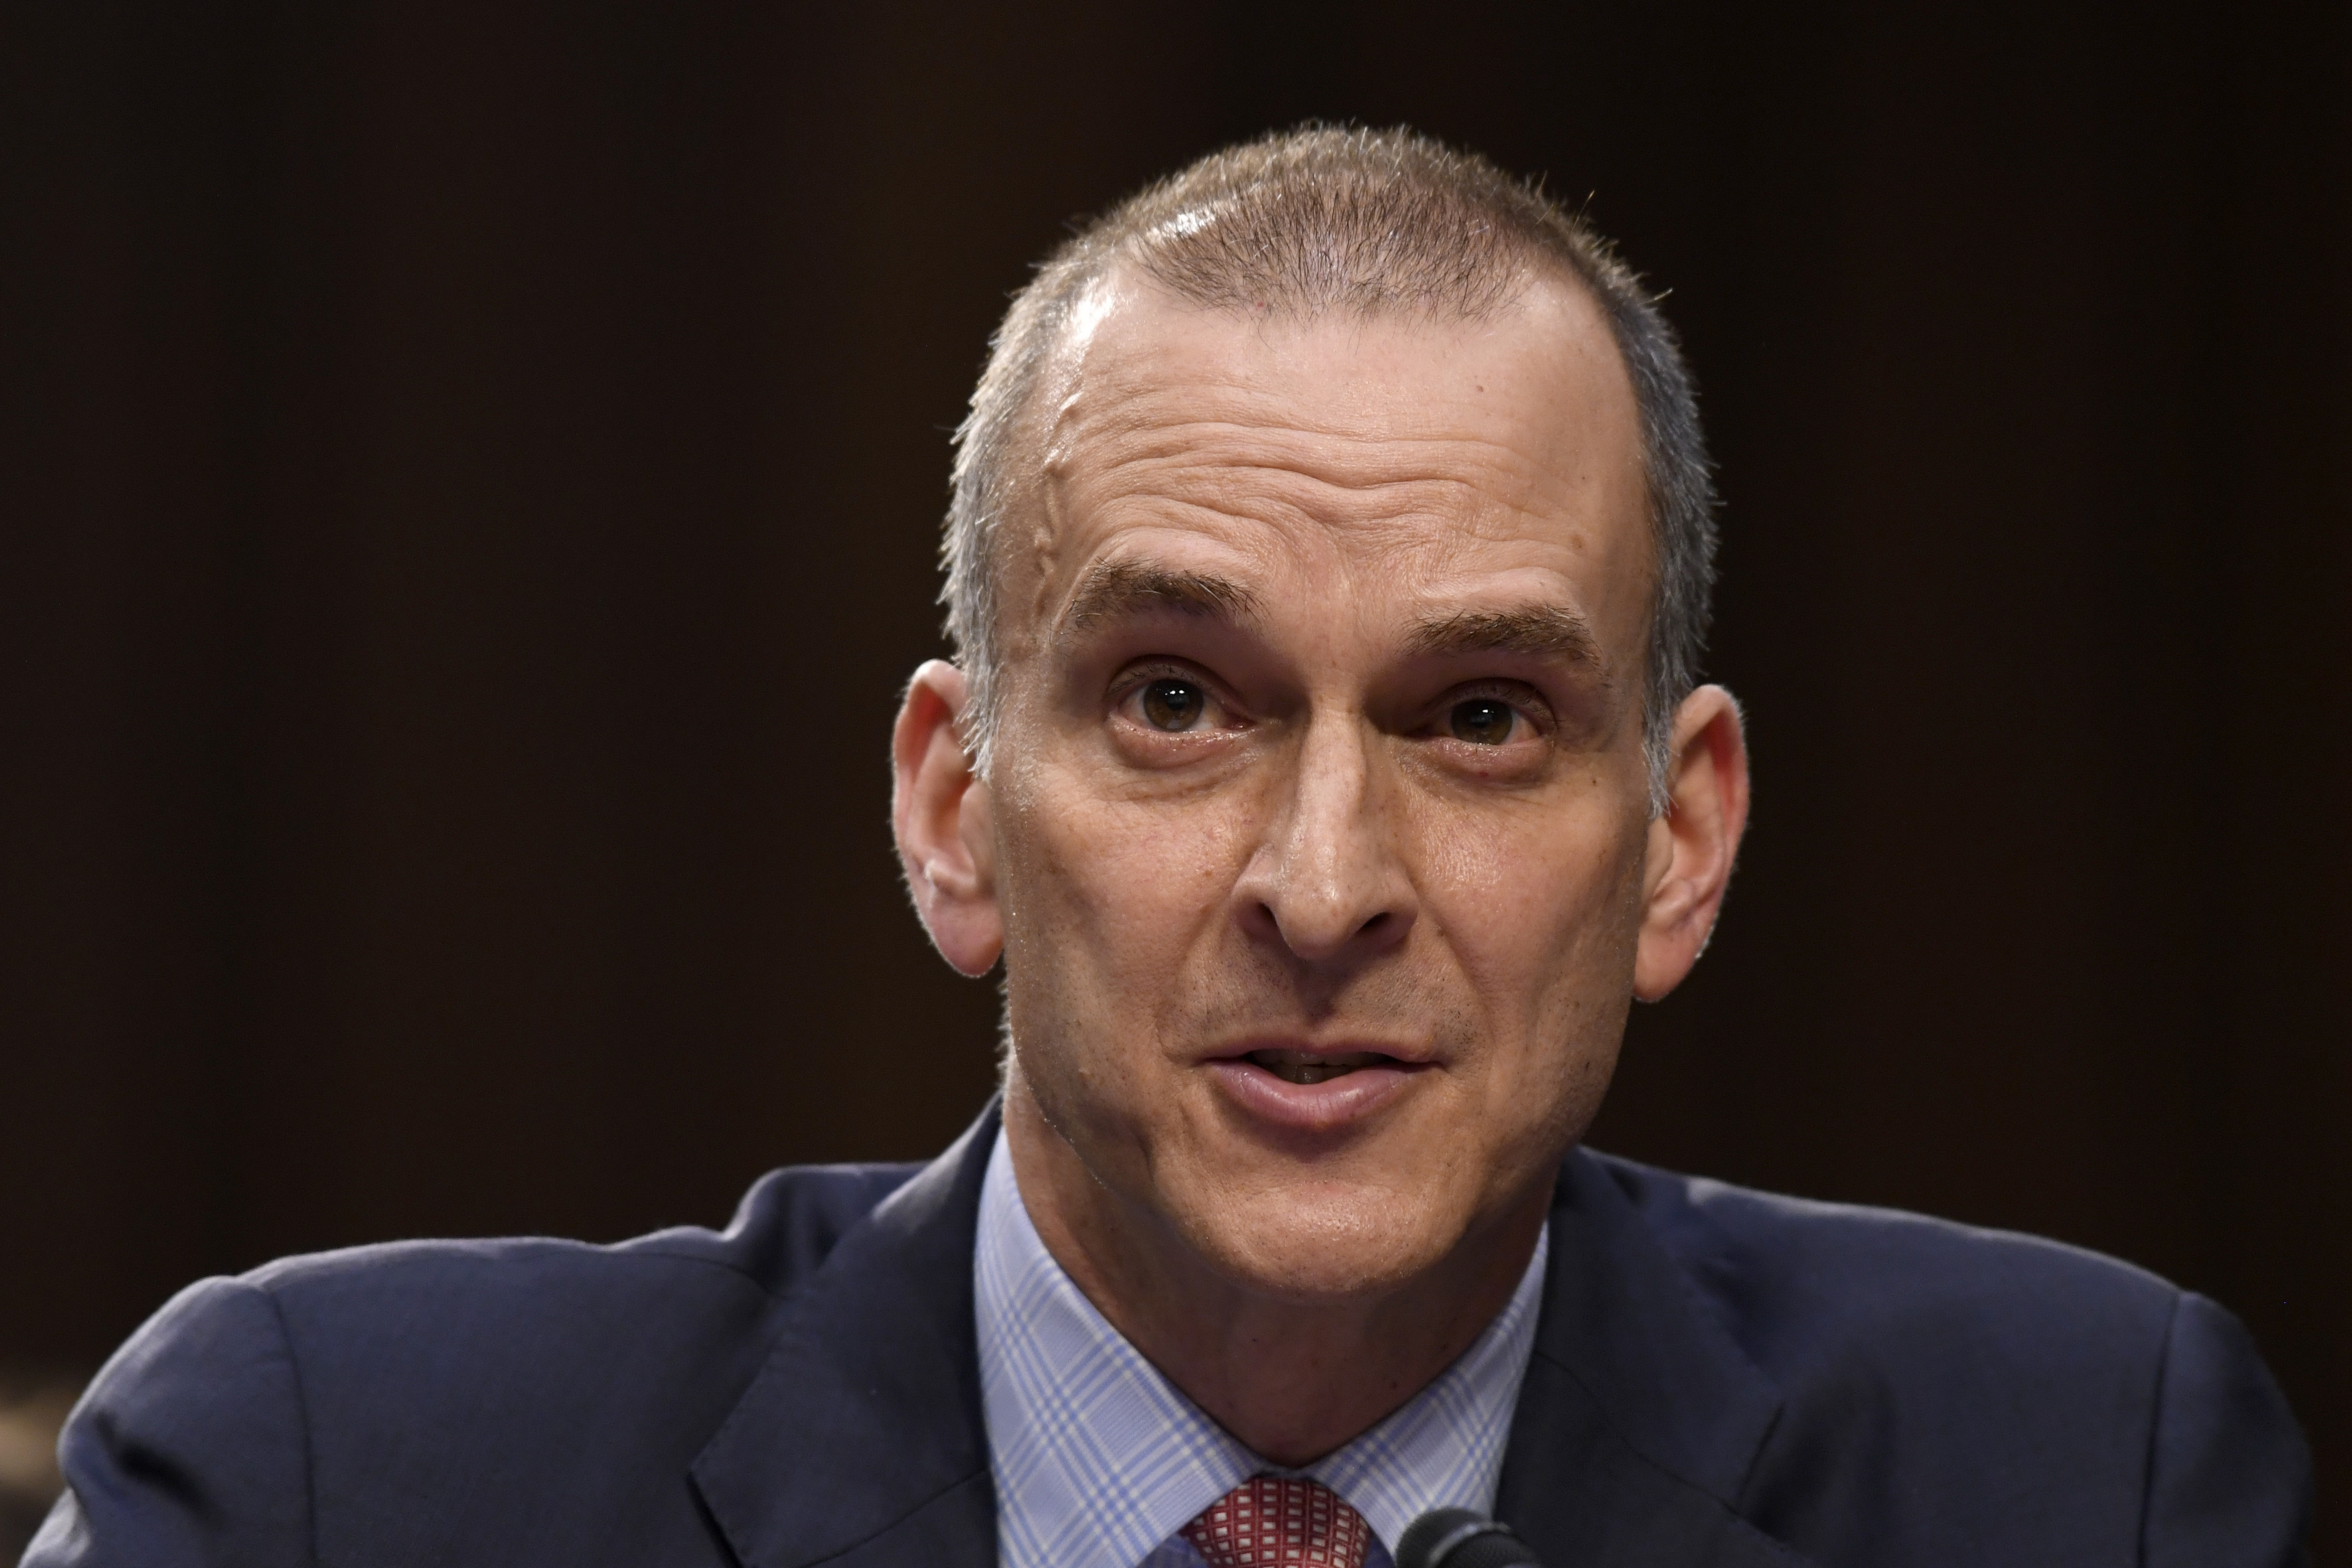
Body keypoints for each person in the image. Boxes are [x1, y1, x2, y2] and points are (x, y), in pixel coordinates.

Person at [24, 127, 2309, 1568]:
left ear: (1682, 841)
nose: (1323, 886)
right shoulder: (331, 1492)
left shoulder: (2082, 1481)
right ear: (958, 814)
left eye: (1485, 719)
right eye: (1178, 703)